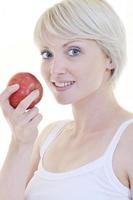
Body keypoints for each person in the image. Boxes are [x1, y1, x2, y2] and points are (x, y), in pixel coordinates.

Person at [0, 0, 133, 199]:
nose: (55, 69)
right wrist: (20, 143)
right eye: (48, 54)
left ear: (110, 57)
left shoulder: (128, 140)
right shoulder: (48, 137)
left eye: (73, 51)